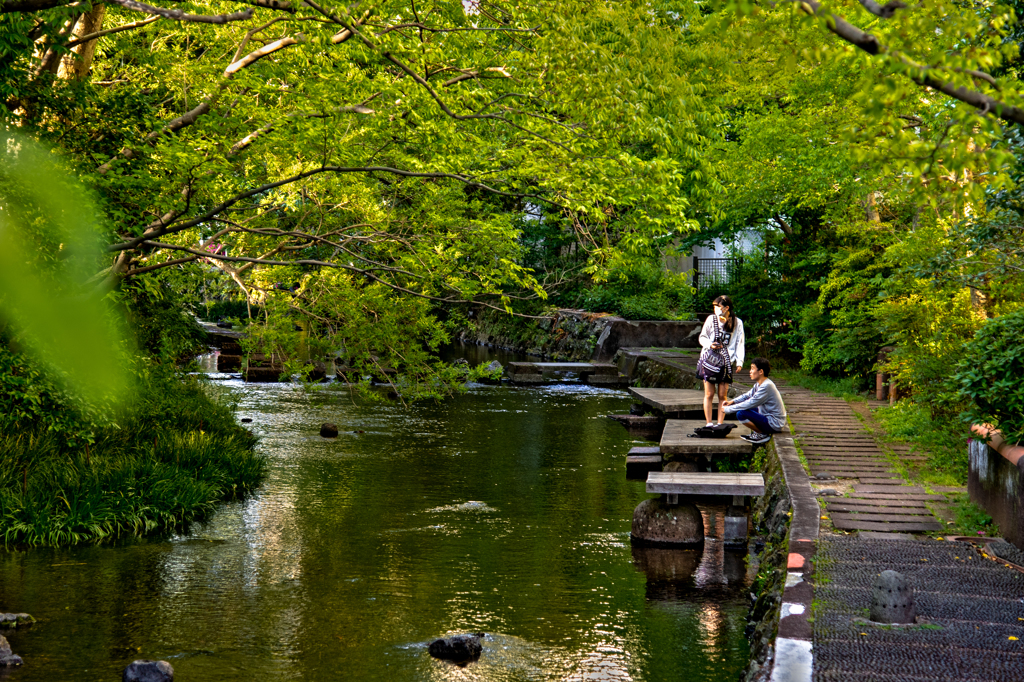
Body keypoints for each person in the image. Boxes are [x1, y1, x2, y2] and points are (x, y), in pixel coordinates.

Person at [697, 294, 745, 426]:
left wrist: (739, 362)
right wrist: (710, 345)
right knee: (709, 394)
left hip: (726, 362)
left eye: (718, 307)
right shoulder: (711, 319)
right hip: (709, 361)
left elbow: (740, 343)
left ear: (726, 308)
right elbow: (702, 337)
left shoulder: (737, 323)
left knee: (722, 395)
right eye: (715, 307)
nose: (715, 309)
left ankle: (719, 423)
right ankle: (709, 423)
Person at [721, 357, 787, 444]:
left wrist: (728, 409)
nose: (750, 371)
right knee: (744, 410)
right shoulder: (760, 384)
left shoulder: (766, 386)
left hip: (774, 423)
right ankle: (760, 432)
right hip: (767, 416)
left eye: (752, 368)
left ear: (761, 371)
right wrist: (732, 402)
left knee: (741, 414)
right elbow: (747, 395)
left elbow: (750, 403)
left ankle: (762, 434)